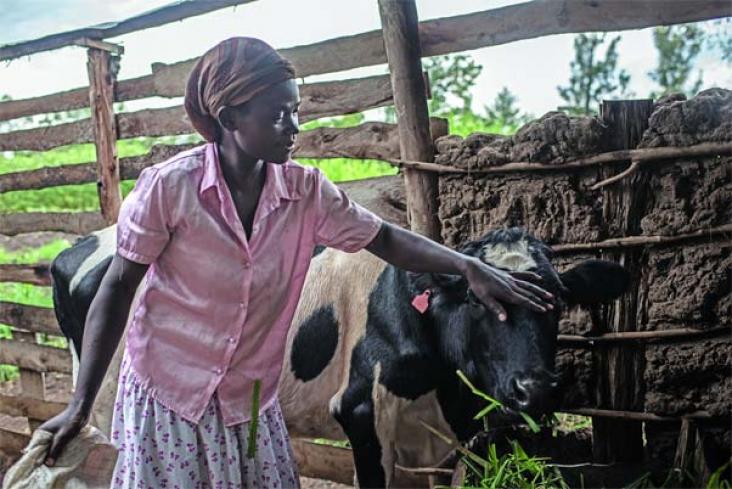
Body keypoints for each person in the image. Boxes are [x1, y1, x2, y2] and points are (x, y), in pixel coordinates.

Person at [37, 37, 554, 488]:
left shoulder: (306, 193)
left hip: (250, 403)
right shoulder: (169, 189)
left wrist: (467, 267)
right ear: (230, 117)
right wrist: (80, 406)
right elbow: (118, 288)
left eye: (297, 109)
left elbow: (386, 239)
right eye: (278, 113)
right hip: (169, 400)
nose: (295, 125)